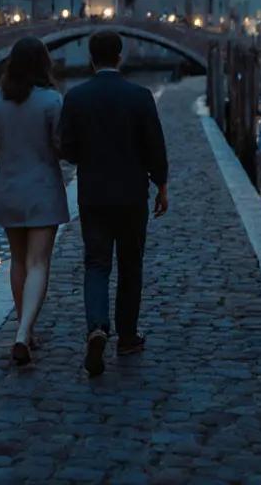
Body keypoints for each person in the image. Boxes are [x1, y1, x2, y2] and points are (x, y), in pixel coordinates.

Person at [60, 30, 169, 377]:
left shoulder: (75, 98)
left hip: (93, 195)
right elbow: (155, 147)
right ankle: (127, 337)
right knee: (131, 264)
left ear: (91, 58)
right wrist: (161, 186)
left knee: (96, 263)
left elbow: (69, 152)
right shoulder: (140, 97)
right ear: (119, 56)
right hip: (132, 196)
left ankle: (96, 327)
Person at [0, 36, 71, 366]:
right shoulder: (51, 101)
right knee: (38, 263)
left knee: (18, 261)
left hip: (7, 191)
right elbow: (62, 148)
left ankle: (25, 330)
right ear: (43, 65)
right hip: (43, 189)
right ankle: (23, 333)